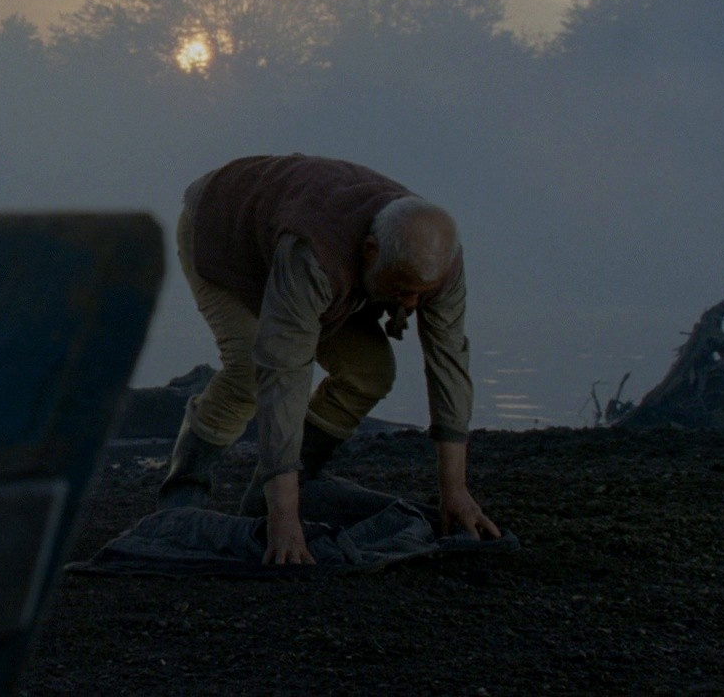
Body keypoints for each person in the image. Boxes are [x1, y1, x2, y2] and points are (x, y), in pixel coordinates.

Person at [159, 154, 501, 565]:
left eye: (420, 294)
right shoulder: (316, 253)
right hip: (222, 232)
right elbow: (285, 373)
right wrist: (285, 520)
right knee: (250, 371)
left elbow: (449, 365)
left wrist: (455, 491)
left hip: (316, 254)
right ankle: (184, 490)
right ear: (371, 251)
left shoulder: (437, 262)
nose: (411, 304)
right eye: (401, 290)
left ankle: (270, 494)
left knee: (369, 374)